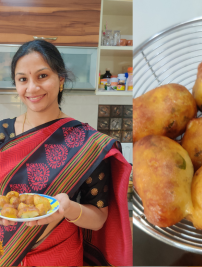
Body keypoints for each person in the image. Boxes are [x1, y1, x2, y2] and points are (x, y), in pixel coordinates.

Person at [0, 40, 132, 266]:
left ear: (61, 79)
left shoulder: (87, 143)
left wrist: (68, 209)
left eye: (42, 76)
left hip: (59, 257)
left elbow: (99, 219)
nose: (31, 88)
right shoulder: (3, 133)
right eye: (23, 79)